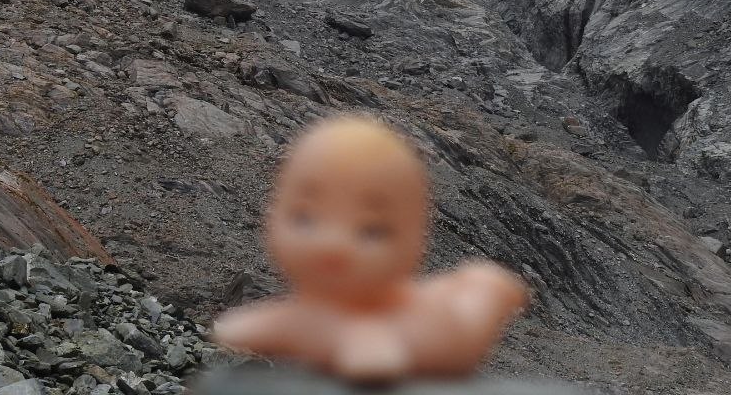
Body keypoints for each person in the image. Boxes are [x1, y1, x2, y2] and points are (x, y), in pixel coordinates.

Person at [213, 116, 527, 382]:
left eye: (371, 230)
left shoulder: (371, 328)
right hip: (423, 307)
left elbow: (376, 351)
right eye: (305, 218)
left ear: (416, 238)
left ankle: (487, 285)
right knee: (443, 292)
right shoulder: (311, 311)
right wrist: (254, 327)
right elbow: (287, 324)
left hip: (452, 331)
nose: (332, 244)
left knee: (472, 311)